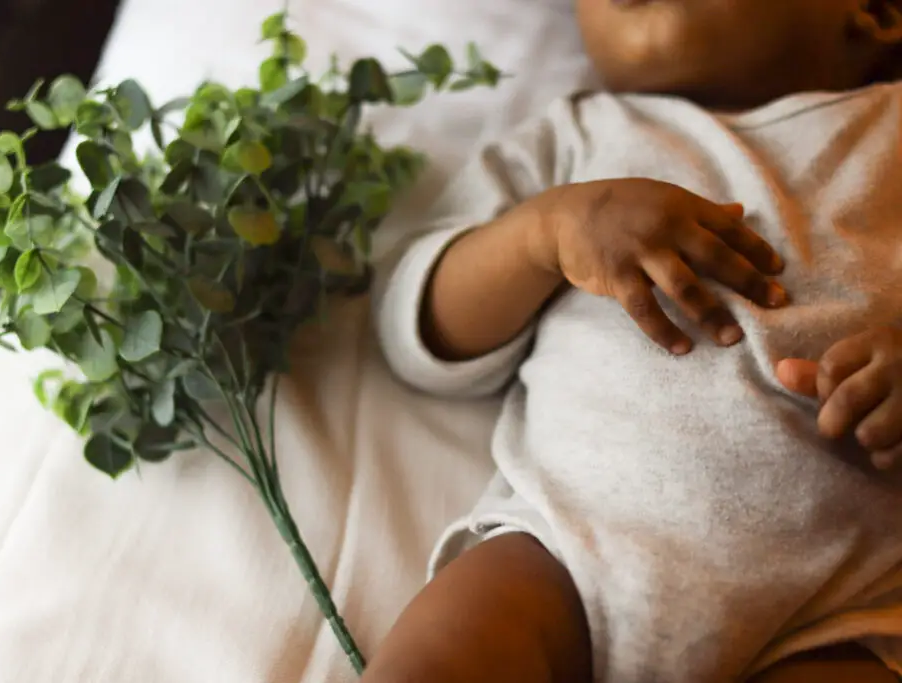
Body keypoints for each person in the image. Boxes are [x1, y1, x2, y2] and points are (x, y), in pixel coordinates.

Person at [367, 1, 902, 681]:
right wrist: (544, 235)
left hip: (832, 609)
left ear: (874, 13)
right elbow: (419, 328)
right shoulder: (577, 135)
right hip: (568, 556)